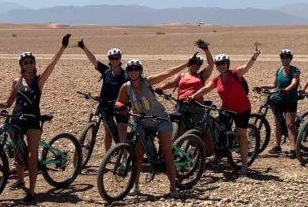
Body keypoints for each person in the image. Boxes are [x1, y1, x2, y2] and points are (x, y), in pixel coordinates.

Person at [0, 34, 71, 202]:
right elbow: (8, 103)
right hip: (17, 119)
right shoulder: (16, 81)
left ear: (34, 64)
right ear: (21, 65)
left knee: (32, 156)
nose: (29, 64)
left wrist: (62, 47)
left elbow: (51, 65)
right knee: (18, 152)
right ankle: (20, 180)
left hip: (33, 120)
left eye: (31, 61)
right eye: (25, 62)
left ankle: (32, 191)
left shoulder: (39, 81)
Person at [115, 57, 193, 197]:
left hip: (160, 120)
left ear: (140, 71)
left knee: (167, 153)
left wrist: (186, 64)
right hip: (142, 123)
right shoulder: (125, 87)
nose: (133, 72)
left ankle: (173, 188)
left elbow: (166, 73)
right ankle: (135, 186)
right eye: (131, 70)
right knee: (137, 155)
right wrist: (120, 106)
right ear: (127, 72)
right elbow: (118, 102)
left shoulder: (147, 82)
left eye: (136, 70)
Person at [188, 44, 262, 176]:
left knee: (241, 135)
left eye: (223, 63)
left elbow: (246, 68)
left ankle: (244, 165)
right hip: (227, 108)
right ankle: (219, 155)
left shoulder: (235, 73)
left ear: (227, 64)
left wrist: (254, 57)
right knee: (217, 129)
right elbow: (206, 88)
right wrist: (194, 96)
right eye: (218, 64)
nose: (221, 66)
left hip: (242, 109)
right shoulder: (217, 78)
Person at [76, 40, 129, 150]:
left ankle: (124, 157)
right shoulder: (106, 71)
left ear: (120, 59)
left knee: (122, 131)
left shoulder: (126, 75)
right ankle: (107, 156)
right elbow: (94, 60)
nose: (114, 60)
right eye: (112, 58)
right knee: (108, 132)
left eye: (117, 58)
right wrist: (83, 47)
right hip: (106, 105)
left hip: (120, 106)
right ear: (109, 60)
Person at [254, 49, 300, 157]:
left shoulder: (295, 70)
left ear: (291, 58)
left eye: (287, 57)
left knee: (290, 125)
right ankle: (278, 146)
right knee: (278, 123)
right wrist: (262, 86)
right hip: (278, 99)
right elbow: (274, 85)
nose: (284, 59)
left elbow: (294, 82)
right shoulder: (279, 70)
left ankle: (293, 149)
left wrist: (286, 90)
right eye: (282, 57)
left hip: (290, 100)